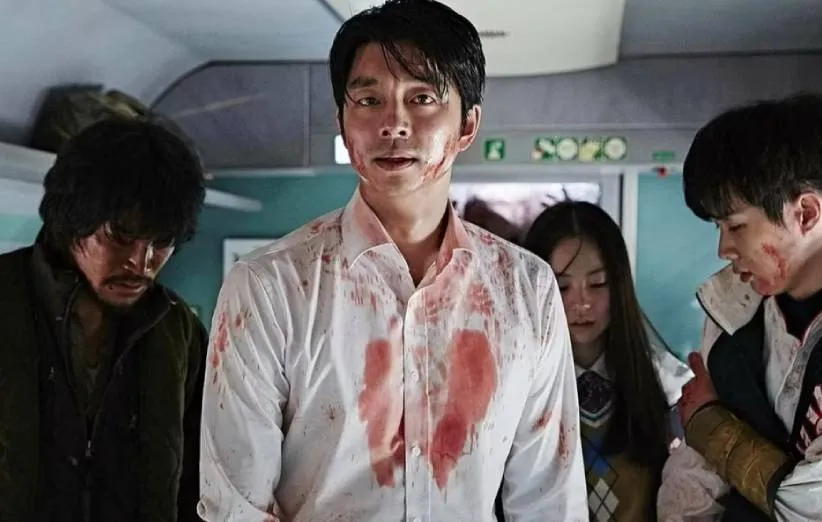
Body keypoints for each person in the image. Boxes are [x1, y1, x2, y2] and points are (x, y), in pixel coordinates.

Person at [197, 0, 588, 520]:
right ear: (342, 123)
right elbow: (235, 509)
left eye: (422, 98)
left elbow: (549, 501)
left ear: (468, 124)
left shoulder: (525, 289)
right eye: (368, 100)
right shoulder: (269, 287)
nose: (394, 123)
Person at [0, 117, 208, 521]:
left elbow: (199, 486)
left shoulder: (178, 331)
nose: (141, 263)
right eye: (121, 236)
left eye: (161, 242)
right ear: (72, 219)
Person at [657, 93, 822, 521]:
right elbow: (694, 472)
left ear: (806, 213)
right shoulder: (734, 314)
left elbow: (811, 505)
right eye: (718, 227)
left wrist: (712, 424)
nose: (723, 249)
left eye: (735, 226)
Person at [520, 201, 691, 521]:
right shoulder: (514, 390)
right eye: (563, 286)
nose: (581, 303)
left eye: (598, 283)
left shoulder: (669, 386)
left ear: (620, 284)